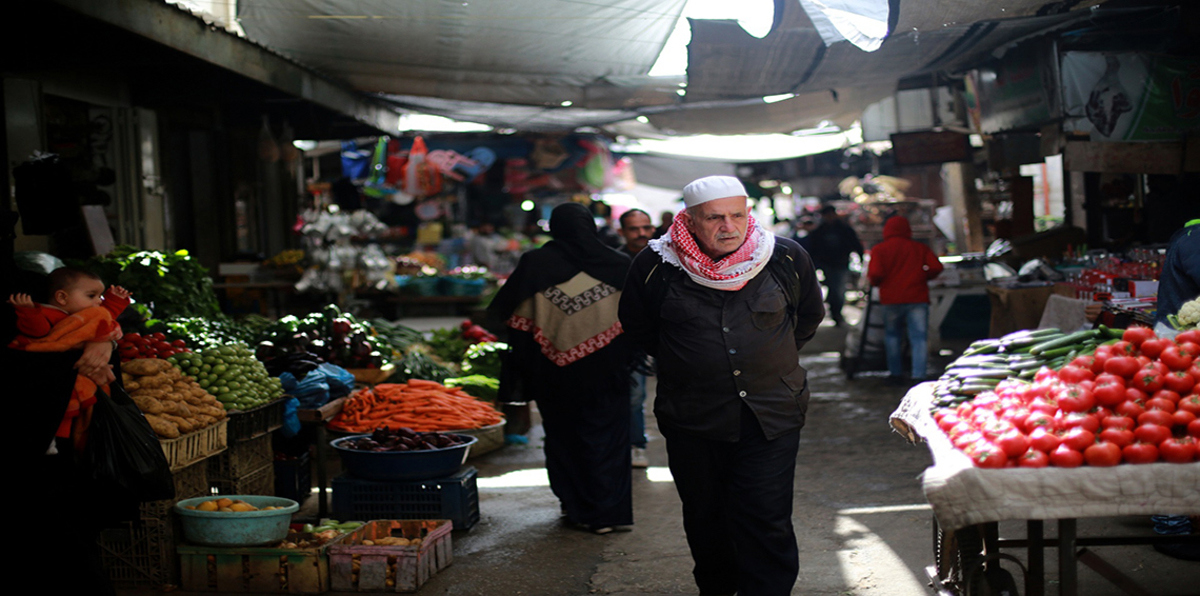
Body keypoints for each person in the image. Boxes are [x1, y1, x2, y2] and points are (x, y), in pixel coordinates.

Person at [619, 175, 824, 595]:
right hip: (692, 416)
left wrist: (769, 358)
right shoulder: (656, 265)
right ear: (691, 220)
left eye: (737, 215)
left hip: (771, 412)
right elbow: (639, 328)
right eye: (714, 218)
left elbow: (806, 318)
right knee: (706, 516)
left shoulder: (785, 257)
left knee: (765, 514)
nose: (728, 226)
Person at [489, 202, 634, 534]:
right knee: (609, 439)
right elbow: (638, 319)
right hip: (608, 371)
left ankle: (577, 507)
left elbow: (513, 318)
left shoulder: (536, 263)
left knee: (563, 439)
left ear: (554, 228)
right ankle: (609, 512)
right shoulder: (617, 263)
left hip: (553, 372)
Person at [8, 267, 131, 454]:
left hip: (82, 373)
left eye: (101, 296)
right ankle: (53, 439)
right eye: (92, 296)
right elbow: (38, 331)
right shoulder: (48, 314)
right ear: (62, 298)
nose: (99, 301)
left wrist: (115, 299)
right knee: (67, 406)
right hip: (65, 380)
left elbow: (105, 317)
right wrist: (28, 312)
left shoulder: (83, 315)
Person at [866, 215, 943, 382]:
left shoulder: (880, 249)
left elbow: (875, 274)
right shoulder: (919, 248)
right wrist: (923, 277)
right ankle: (919, 374)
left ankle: (896, 373)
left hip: (891, 299)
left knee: (893, 336)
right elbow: (937, 266)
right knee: (919, 338)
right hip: (917, 297)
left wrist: (879, 283)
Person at [618, 208, 657, 468]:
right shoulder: (615, 262)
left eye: (645, 227)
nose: (641, 233)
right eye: (634, 229)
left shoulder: (666, 257)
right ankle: (635, 444)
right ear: (622, 232)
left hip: (671, 336)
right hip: (630, 338)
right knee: (633, 395)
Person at [805, 204, 863, 326]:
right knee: (834, 289)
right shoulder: (820, 231)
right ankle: (836, 313)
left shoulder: (844, 229)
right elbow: (813, 248)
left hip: (841, 264)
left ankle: (837, 313)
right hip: (828, 265)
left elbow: (855, 243)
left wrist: (860, 257)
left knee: (839, 289)